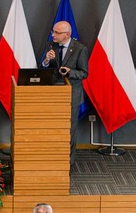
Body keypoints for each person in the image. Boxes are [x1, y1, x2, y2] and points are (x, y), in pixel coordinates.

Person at [40, 21, 88, 165]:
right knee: (53, 126)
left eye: (56, 33)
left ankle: (69, 161)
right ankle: (53, 156)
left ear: (67, 34)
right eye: (53, 31)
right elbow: (44, 67)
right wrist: (47, 60)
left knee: (69, 128)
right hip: (54, 93)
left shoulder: (80, 49)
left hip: (72, 93)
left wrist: (69, 72)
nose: (53, 35)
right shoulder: (51, 45)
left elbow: (84, 73)